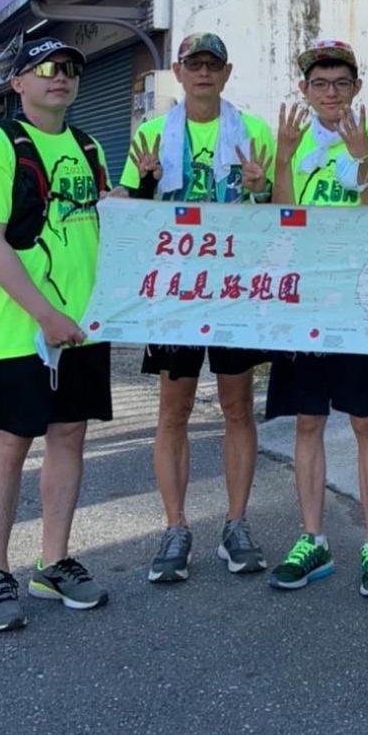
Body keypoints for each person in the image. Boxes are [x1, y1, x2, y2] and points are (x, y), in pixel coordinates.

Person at [112, 32, 275, 585]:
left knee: (238, 408)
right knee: (173, 411)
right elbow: (132, 212)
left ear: (226, 73)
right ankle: (175, 527)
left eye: (212, 64)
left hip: (234, 290)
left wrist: (261, 188)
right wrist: (142, 185)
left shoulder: (253, 132)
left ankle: (237, 524)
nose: (203, 72)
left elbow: (277, 213)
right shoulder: (152, 133)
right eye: (193, 64)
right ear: (178, 73)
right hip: (175, 293)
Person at [0, 36, 111, 633]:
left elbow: (103, 223)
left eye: (70, 67)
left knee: (69, 436)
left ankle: (53, 562)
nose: (61, 76)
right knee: (11, 443)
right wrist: (45, 314)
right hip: (19, 329)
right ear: (17, 82)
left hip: (83, 327)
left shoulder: (90, 146)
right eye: (46, 67)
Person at [267, 38, 368, 598]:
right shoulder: (290, 138)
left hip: (359, 299)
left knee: (367, 421)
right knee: (307, 421)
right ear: (304, 89)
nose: (330, 94)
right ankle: (313, 539)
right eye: (319, 84)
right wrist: (282, 156)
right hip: (304, 299)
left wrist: (361, 157)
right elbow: (280, 216)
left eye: (341, 83)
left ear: (356, 87)